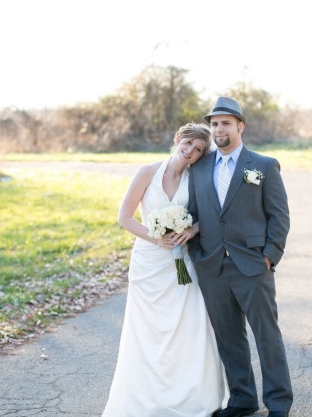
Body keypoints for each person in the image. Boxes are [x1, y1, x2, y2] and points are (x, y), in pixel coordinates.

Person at [102, 123, 227, 417]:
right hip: (149, 263)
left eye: (198, 150)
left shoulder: (196, 177)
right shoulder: (147, 172)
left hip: (182, 260)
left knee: (190, 326)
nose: (191, 152)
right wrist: (156, 237)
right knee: (148, 332)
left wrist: (192, 230)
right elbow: (125, 218)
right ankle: (147, 400)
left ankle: (193, 398)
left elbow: (207, 215)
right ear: (177, 140)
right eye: (188, 144)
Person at [187, 96, 293, 417]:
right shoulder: (199, 166)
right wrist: (197, 253)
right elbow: (194, 212)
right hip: (213, 266)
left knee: (267, 337)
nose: (219, 129)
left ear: (240, 126)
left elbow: (279, 216)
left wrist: (270, 257)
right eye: (214, 124)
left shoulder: (262, 165)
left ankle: (278, 403)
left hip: (252, 266)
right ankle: (242, 399)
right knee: (229, 338)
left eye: (226, 123)